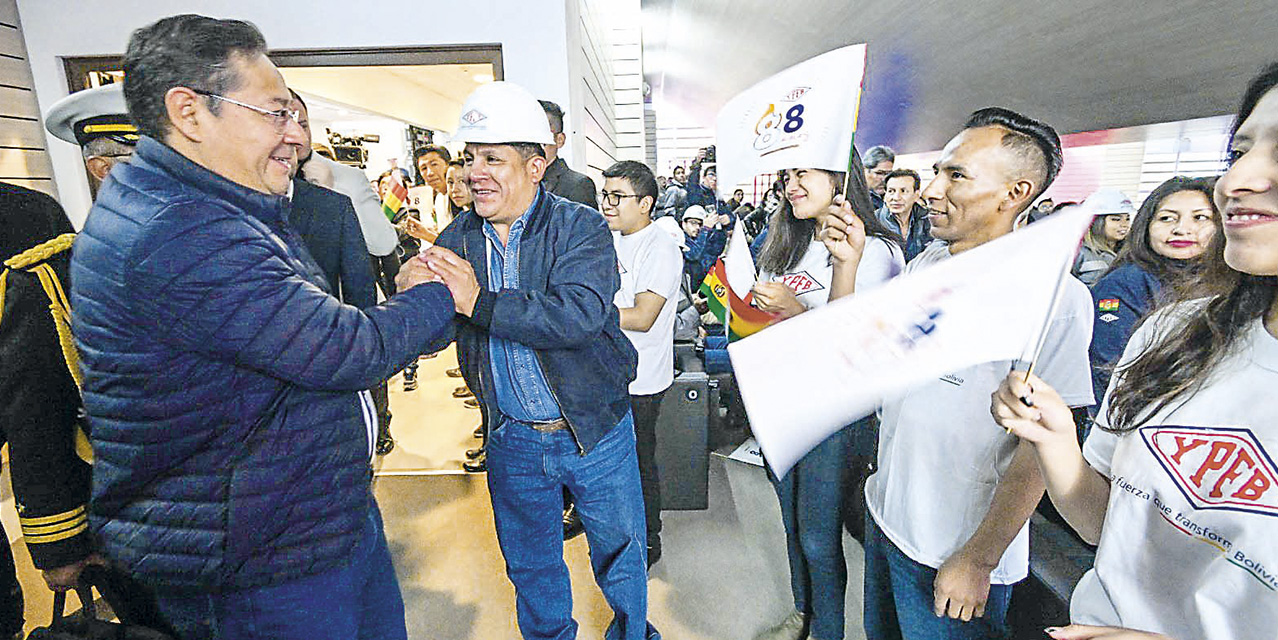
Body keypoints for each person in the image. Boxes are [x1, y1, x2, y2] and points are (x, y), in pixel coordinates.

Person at [70, 15, 457, 639]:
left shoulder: (229, 206)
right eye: (276, 113)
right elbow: (340, 348)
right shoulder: (179, 232)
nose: (296, 136)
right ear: (190, 112)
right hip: (256, 553)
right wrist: (442, 295)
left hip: (306, 518)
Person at [989, 61, 1278, 640]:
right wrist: (1055, 439)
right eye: (1239, 151)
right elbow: (1104, 524)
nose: (1237, 181)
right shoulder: (1172, 332)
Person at [416, 80, 657, 640]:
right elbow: (437, 329)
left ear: (536, 164)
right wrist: (414, 297)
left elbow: (577, 315)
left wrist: (477, 301)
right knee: (530, 564)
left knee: (621, 557)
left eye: (493, 159)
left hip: (593, 430)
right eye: (470, 158)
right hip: (513, 438)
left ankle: (633, 632)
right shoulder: (459, 234)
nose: (475, 172)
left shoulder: (582, 227)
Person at [863, 108, 1093, 640]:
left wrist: (980, 559)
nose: (930, 191)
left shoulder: (1055, 298)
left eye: (956, 176)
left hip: (955, 550)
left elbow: (1040, 449)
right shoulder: (929, 264)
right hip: (890, 516)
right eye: (937, 172)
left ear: (1015, 193)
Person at [749, 158, 904, 640]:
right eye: (787, 177)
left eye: (804, 175)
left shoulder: (876, 251)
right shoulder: (786, 240)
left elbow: (851, 345)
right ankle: (803, 615)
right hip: (780, 403)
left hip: (835, 415)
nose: (791, 187)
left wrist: (795, 309)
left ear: (840, 178)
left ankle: (827, 632)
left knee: (819, 536)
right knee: (793, 528)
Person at [600, 160, 683, 569]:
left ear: (646, 203)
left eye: (618, 196)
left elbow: (643, 315)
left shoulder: (661, 248)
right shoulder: (607, 240)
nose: (608, 203)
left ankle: (650, 539)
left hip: (642, 377)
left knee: (637, 462)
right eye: (606, 194)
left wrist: (582, 313)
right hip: (605, 372)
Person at [1087, 177, 1216, 408]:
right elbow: (1108, 370)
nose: (1182, 229)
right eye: (1166, 218)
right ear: (1146, 226)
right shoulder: (1126, 284)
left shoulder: (1234, 282)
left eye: (1200, 218)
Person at [538, 99, 598, 209]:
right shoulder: (515, 181)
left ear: (559, 140)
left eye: (542, 140)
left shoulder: (578, 185)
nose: (533, 147)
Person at [1071, 188, 1134, 286]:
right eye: (1116, 219)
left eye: (1127, 219)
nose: (1124, 224)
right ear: (1096, 222)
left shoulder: (1132, 252)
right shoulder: (1078, 253)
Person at [876, 168, 932, 261]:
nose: (896, 198)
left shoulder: (929, 220)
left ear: (916, 195)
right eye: (891, 191)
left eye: (903, 191)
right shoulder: (873, 221)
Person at [415, 144, 454, 229]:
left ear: (448, 164)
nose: (430, 173)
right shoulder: (439, 199)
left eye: (434, 164)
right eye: (424, 168)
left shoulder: (460, 196)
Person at [862, 145, 895, 210]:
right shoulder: (855, 198)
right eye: (879, 173)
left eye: (888, 173)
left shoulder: (894, 198)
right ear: (864, 171)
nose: (884, 179)